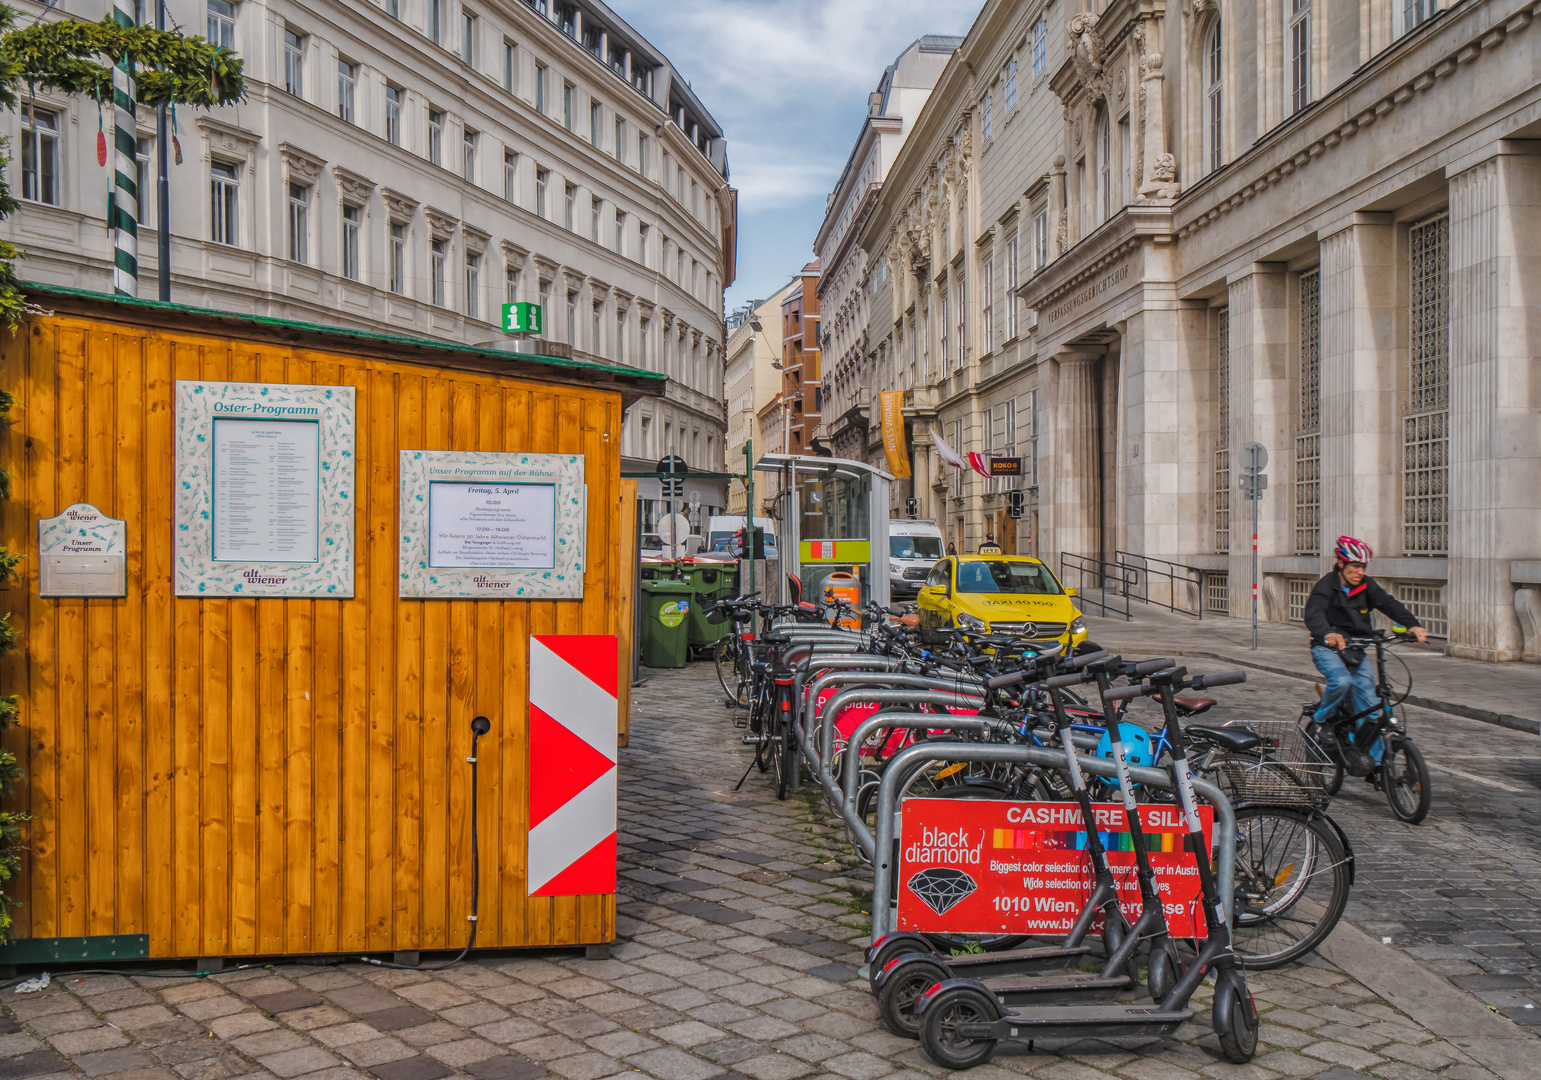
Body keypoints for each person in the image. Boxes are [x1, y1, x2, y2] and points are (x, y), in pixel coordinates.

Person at [1303, 536, 1428, 762]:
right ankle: (1323, 721)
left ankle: (1378, 766)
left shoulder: (1365, 585)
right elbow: (1314, 613)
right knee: (1341, 681)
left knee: (1370, 708)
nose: (1360, 572)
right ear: (1341, 564)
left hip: (1356, 650)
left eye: (1363, 567)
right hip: (1327, 648)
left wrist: (1412, 624)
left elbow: (1388, 603)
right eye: (1355, 566)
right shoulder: (1326, 585)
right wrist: (1327, 633)